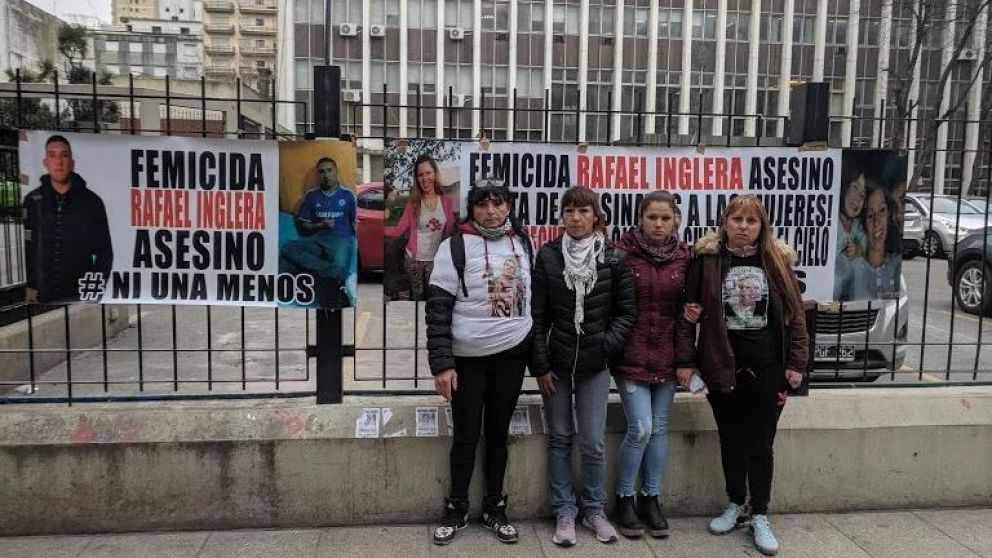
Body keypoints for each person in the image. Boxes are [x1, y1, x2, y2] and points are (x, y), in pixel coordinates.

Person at [676, 195, 808, 556]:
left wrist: (796, 364)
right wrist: (686, 362)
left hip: (768, 368)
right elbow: (689, 315)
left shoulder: (777, 261)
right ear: (724, 222)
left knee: (761, 443)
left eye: (751, 221)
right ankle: (735, 502)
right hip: (722, 364)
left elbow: (797, 317)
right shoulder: (707, 261)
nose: (743, 227)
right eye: (737, 219)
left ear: (761, 226)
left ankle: (760, 513)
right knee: (730, 439)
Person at [425, 182, 534, 546]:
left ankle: (494, 508)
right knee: (467, 436)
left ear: (509, 207)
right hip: (467, 360)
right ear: (472, 209)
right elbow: (438, 308)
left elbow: (531, 302)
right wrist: (442, 364)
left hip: (511, 356)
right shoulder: (454, 246)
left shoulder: (523, 242)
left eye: (498, 203)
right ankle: (456, 508)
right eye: (483, 204)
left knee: (499, 436)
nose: (491, 211)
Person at [531, 186, 637, 547]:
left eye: (583, 211)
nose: (576, 218)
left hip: (595, 366)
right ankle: (564, 511)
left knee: (592, 442)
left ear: (596, 216)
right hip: (556, 367)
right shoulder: (547, 256)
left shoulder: (614, 259)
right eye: (569, 211)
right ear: (562, 216)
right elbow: (538, 314)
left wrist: (603, 346)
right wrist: (541, 365)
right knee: (560, 438)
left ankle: (594, 510)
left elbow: (626, 313)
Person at [611, 191, 694, 539]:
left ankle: (651, 498)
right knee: (640, 428)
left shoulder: (685, 258)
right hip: (630, 357)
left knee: (660, 429)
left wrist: (687, 360)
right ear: (640, 218)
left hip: (668, 357)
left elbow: (688, 313)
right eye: (652, 217)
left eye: (665, 218)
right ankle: (624, 497)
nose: (658, 224)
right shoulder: (621, 254)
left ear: (676, 220)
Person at [23, 134, 113, 303]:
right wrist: (30, 286)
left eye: (64, 155)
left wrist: (93, 292)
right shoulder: (32, 200)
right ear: (45, 163)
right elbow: (28, 249)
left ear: (72, 162)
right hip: (41, 295)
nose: (59, 162)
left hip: (78, 294)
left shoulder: (92, 202)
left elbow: (104, 253)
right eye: (52, 155)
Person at [279, 156, 356, 306]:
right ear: (318, 175)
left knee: (335, 278)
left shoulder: (348, 196)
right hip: (318, 238)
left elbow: (355, 223)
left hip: (341, 238)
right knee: (288, 248)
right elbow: (304, 225)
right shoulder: (311, 195)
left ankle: (339, 281)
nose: (326, 175)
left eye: (329, 171)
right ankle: (343, 275)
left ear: (336, 172)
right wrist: (320, 225)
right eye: (322, 172)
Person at [385, 155, 456, 300]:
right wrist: (379, 229)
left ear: (435, 173)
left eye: (428, 173)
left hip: (436, 261)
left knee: (434, 298)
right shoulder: (414, 203)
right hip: (414, 260)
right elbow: (399, 229)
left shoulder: (447, 201)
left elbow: (450, 231)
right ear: (417, 179)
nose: (425, 178)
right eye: (420, 175)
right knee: (418, 298)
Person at [849, 183, 901, 300]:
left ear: (889, 216)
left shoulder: (896, 265)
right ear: (863, 223)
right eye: (870, 215)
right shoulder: (853, 268)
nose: (876, 222)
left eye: (882, 211)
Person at [833, 172, 867, 300]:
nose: (858, 198)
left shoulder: (856, 224)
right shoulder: (831, 218)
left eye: (863, 195)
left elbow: (864, 240)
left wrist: (857, 249)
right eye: (855, 187)